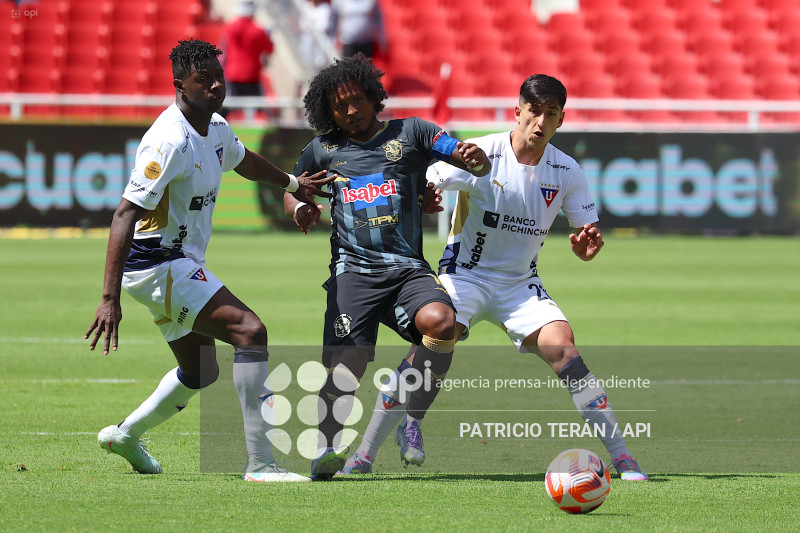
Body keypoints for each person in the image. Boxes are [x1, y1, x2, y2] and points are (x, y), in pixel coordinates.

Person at [338, 74, 649, 481]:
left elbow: (587, 234)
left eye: (550, 115)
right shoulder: (482, 152)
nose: (539, 122)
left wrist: (586, 248)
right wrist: (424, 197)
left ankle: (623, 458)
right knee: (436, 339)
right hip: (464, 276)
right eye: (533, 112)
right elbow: (422, 182)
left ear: (560, 120)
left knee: (566, 350)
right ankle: (367, 452)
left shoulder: (567, 171)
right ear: (517, 111)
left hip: (520, 285)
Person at [85, 39, 332, 483]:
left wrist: (292, 182)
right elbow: (124, 215)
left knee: (201, 371)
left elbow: (244, 161)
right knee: (249, 330)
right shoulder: (167, 141)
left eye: (219, 76)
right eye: (205, 79)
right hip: (157, 263)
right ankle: (261, 464)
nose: (217, 85)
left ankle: (124, 435)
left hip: (173, 262)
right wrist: (108, 298)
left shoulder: (215, 126)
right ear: (179, 85)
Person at [283, 53, 490, 480]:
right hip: (352, 273)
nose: (351, 111)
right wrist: (298, 209)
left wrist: (472, 156)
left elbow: (465, 156)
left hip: (406, 269)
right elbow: (294, 188)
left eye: (357, 100)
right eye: (340, 106)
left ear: (373, 96)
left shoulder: (411, 132)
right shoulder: (323, 149)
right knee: (347, 366)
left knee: (442, 324)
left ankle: (411, 420)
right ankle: (325, 449)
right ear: (327, 111)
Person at [219, 0, 274, 117]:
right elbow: (269, 49)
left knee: (228, 107)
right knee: (259, 108)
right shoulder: (259, 31)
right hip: (251, 76)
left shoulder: (229, 27)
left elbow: (224, 48)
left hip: (233, 74)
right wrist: (269, 35)